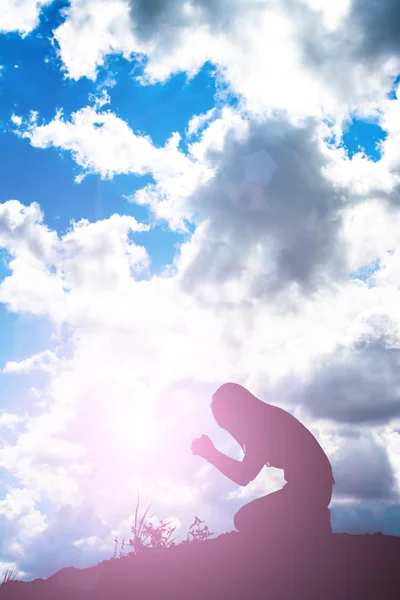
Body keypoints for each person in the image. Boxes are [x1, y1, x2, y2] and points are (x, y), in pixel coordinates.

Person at [191, 382, 334, 544]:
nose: (228, 428)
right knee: (249, 518)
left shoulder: (260, 425)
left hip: (310, 491)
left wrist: (211, 453)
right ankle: (312, 523)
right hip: (310, 488)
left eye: (225, 421)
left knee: (246, 519)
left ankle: (312, 524)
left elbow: (244, 476)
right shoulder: (264, 418)